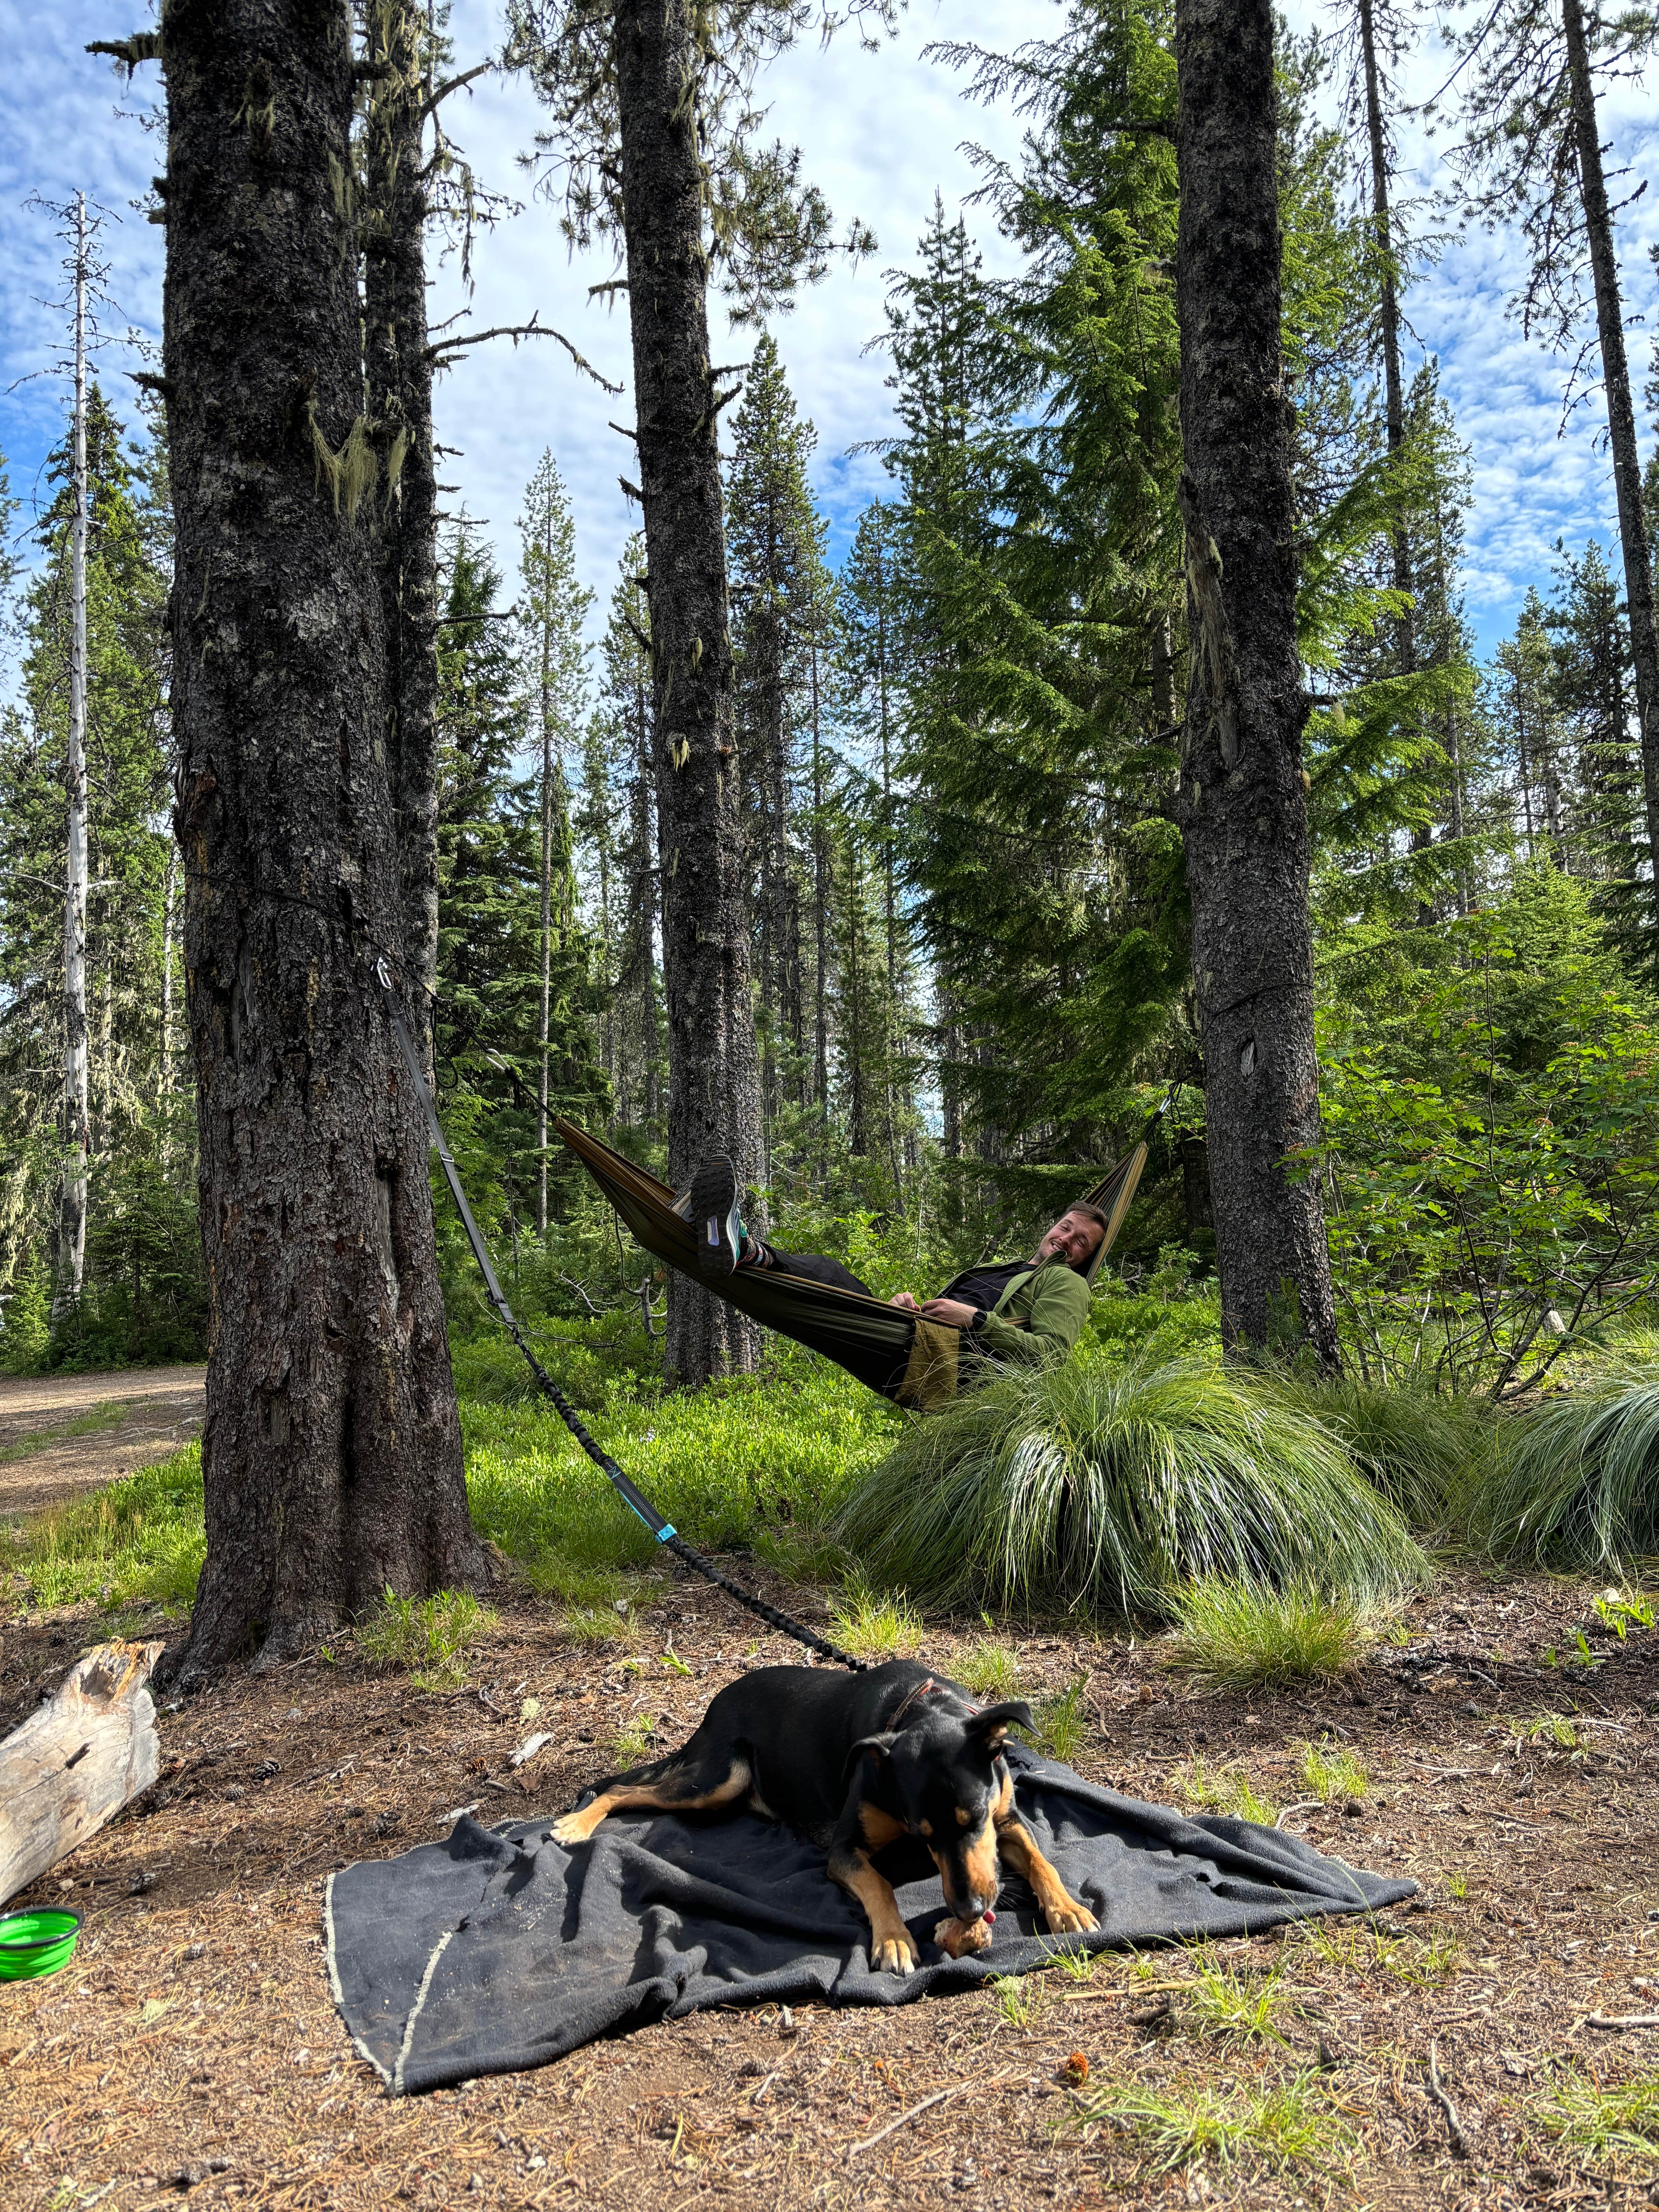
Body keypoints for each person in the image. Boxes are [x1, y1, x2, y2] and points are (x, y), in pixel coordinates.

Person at [679, 1154, 1108, 1405]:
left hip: (951, 1368)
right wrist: (910, 1308)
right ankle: (708, 1234)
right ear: (1053, 1226)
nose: (1067, 1240)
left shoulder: (1068, 1283)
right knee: (833, 1282)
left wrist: (975, 1320)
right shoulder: (1009, 1269)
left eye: (1081, 1243)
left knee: (829, 1276)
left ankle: (740, 1246)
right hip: (921, 1341)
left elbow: (1051, 1357)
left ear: (1084, 1259)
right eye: (1066, 1227)